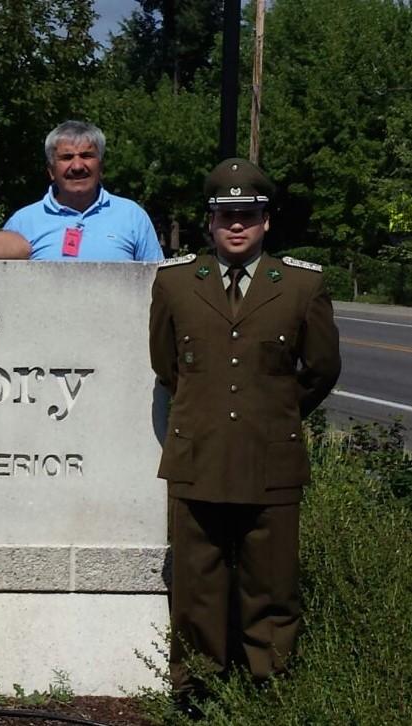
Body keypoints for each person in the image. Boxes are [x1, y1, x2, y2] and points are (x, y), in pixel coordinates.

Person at [148, 158, 340, 702]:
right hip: (198, 455)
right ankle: (197, 690)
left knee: (272, 585)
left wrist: (273, 414)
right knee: (196, 586)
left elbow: (322, 369)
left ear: (266, 222)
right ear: (209, 221)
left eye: (248, 215)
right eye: (226, 215)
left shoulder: (302, 286)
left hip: (269, 458)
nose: (237, 226)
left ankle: (268, 689)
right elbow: (167, 367)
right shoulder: (177, 283)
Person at [4, 120, 163, 261]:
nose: (77, 167)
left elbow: (159, 284)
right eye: (67, 157)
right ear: (51, 170)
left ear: (101, 166)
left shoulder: (132, 216)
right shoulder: (22, 223)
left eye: (86, 156)